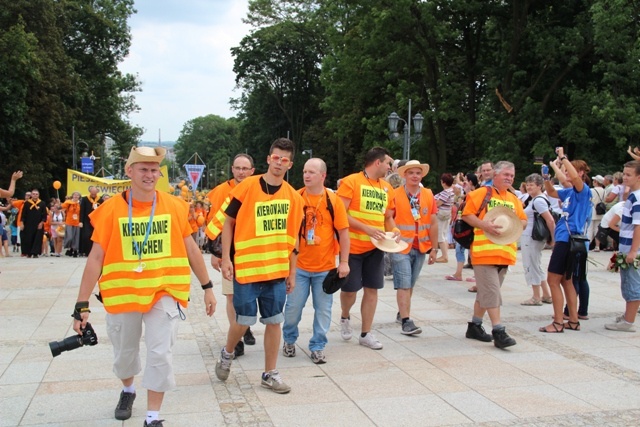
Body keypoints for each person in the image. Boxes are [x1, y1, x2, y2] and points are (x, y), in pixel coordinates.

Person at [72, 146, 216, 427]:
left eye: (154, 170)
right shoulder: (110, 210)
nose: (150, 175)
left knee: (160, 351)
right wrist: (81, 305)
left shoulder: (174, 206)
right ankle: (128, 389)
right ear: (129, 171)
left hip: (164, 291)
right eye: (143, 169)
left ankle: (153, 416)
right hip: (123, 295)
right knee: (125, 354)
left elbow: (191, 250)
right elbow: (96, 259)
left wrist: (207, 286)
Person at [215, 138, 304, 394]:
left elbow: (294, 237)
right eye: (275, 157)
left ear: (290, 164)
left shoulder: (293, 197)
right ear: (268, 159)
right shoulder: (247, 187)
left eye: (284, 159)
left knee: (274, 321)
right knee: (242, 321)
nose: (279, 163)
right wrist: (227, 259)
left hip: (276, 271)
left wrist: (292, 271)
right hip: (247, 270)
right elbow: (228, 222)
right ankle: (227, 352)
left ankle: (270, 373)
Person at [282, 158, 350, 363]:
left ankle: (318, 345)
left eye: (311, 172)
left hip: (325, 267)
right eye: (304, 171)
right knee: (293, 309)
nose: (306, 175)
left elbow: (344, 233)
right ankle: (289, 340)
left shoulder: (333, 200)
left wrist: (344, 262)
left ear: (323, 175)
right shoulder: (296, 197)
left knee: (323, 310)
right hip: (299, 267)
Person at [337, 146, 398, 350]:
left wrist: (394, 229)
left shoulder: (387, 188)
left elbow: (387, 217)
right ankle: (345, 316)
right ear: (377, 162)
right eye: (388, 162)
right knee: (350, 290)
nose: (390, 167)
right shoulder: (351, 181)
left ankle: (366, 333)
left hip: (376, 248)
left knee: (372, 289)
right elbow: (340, 214)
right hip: (352, 247)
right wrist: (366, 228)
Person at [462, 161, 527, 348]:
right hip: (484, 253)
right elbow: (467, 214)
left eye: (512, 176)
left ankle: (474, 325)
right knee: (492, 292)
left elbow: (523, 220)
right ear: (495, 175)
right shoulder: (482, 193)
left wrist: (512, 224)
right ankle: (498, 330)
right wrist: (485, 225)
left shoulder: (514, 199)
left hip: (504, 253)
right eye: (506, 175)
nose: (509, 178)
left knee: (487, 293)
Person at [205, 153, 257, 356]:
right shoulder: (220, 192)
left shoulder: (258, 188)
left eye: (245, 169)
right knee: (231, 295)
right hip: (229, 252)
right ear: (232, 169)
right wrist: (215, 253)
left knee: (250, 296)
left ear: (252, 171)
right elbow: (213, 224)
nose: (241, 172)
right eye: (238, 168)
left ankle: (245, 327)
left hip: (252, 250)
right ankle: (236, 338)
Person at [539, 149, 591, 333]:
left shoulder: (582, 190)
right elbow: (552, 191)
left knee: (553, 280)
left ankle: (558, 322)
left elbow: (575, 179)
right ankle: (573, 320)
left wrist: (562, 158)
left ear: (580, 173)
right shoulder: (569, 193)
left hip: (567, 240)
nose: (565, 174)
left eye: (568, 171)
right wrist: (546, 177)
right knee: (567, 281)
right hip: (567, 240)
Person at [391, 160, 437, 335]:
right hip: (400, 246)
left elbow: (433, 222)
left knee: (410, 283)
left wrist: (434, 248)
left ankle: (402, 312)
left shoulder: (428, 194)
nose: (415, 176)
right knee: (403, 283)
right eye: (411, 173)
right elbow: (388, 219)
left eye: (418, 173)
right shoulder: (395, 194)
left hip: (421, 246)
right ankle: (406, 320)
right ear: (404, 175)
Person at [605, 160, 640, 332]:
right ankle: (628, 315)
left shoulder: (637, 197)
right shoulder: (633, 196)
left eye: (628, 175)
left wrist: (633, 250)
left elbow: (638, 225)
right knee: (628, 281)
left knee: (632, 283)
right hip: (627, 245)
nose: (624, 177)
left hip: (632, 248)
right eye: (624, 174)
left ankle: (629, 321)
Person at [520, 173, 554, 306]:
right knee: (536, 265)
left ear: (539, 186)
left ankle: (536, 296)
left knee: (531, 265)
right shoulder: (537, 199)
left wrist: (553, 239)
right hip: (532, 237)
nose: (528, 187)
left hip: (531, 237)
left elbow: (550, 220)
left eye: (531, 185)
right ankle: (546, 294)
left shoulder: (538, 201)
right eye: (527, 184)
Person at [446, 173, 479, 284]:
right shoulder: (473, 193)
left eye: (464, 182)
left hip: (469, 226)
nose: (463, 184)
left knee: (461, 249)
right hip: (470, 225)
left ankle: (461, 273)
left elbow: (465, 207)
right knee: (466, 250)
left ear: (470, 182)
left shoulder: (474, 194)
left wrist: (460, 195)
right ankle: (462, 273)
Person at [20, 189, 48, 258]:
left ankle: (35, 253)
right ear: (31, 195)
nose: (35, 195)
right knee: (28, 238)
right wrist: (22, 223)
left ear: (38, 195)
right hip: (28, 224)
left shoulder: (42, 203)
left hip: (38, 224)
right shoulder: (27, 203)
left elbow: (44, 215)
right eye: (33, 194)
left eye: (36, 194)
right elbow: (23, 214)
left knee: (38, 238)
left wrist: (42, 223)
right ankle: (29, 253)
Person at [434, 173, 454, 263]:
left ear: (443, 182)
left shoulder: (446, 192)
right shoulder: (451, 191)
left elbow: (438, 203)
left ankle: (444, 256)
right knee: (444, 235)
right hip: (447, 214)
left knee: (440, 236)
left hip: (441, 215)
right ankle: (444, 255)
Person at [78, 186, 102, 256]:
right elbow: (82, 211)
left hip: (97, 220)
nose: (94, 194)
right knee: (86, 235)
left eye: (95, 193)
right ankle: (87, 252)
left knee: (95, 236)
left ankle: (94, 252)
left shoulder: (100, 200)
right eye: (92, 193)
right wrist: (81, 221)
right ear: (90, 192)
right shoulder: (85, 199)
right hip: (86, 220)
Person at [61, 191, 81, 257]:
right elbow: (62, 207)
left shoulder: (80, 203)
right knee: (70, 237)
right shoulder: (69, 202)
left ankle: (74, 250)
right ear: (72, 196)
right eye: (74, 195)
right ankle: (69, 247)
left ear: (79, 197)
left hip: (76, 222)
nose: (76, 196)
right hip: (69, 222)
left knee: (76, 237)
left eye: (77, 195)